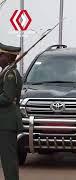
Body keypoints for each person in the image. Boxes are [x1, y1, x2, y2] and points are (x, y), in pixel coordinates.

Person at [0, 43, 23, 180]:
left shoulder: (11, 74)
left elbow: (7, 98)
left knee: (8, 160)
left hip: (7, 122)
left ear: (7, 57)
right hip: (3, 121)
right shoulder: (5, 72)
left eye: (0, 55)